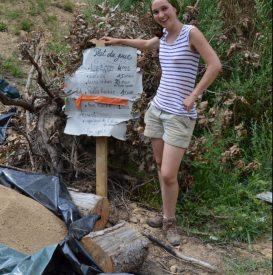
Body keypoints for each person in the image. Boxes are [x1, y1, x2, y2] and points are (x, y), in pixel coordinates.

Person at [101, 0, 221, 246]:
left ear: (175, 7)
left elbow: (214, 64)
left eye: (164, 8)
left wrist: (194, 95)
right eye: (155, 12)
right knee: (159, 164)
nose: (160, 14)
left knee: (168, 174)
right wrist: (118, 41)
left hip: (180, 114)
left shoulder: (191, 33)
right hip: (157, 110)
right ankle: (165, 216)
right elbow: (146, 45)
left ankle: (170, 222)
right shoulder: (164, 36)